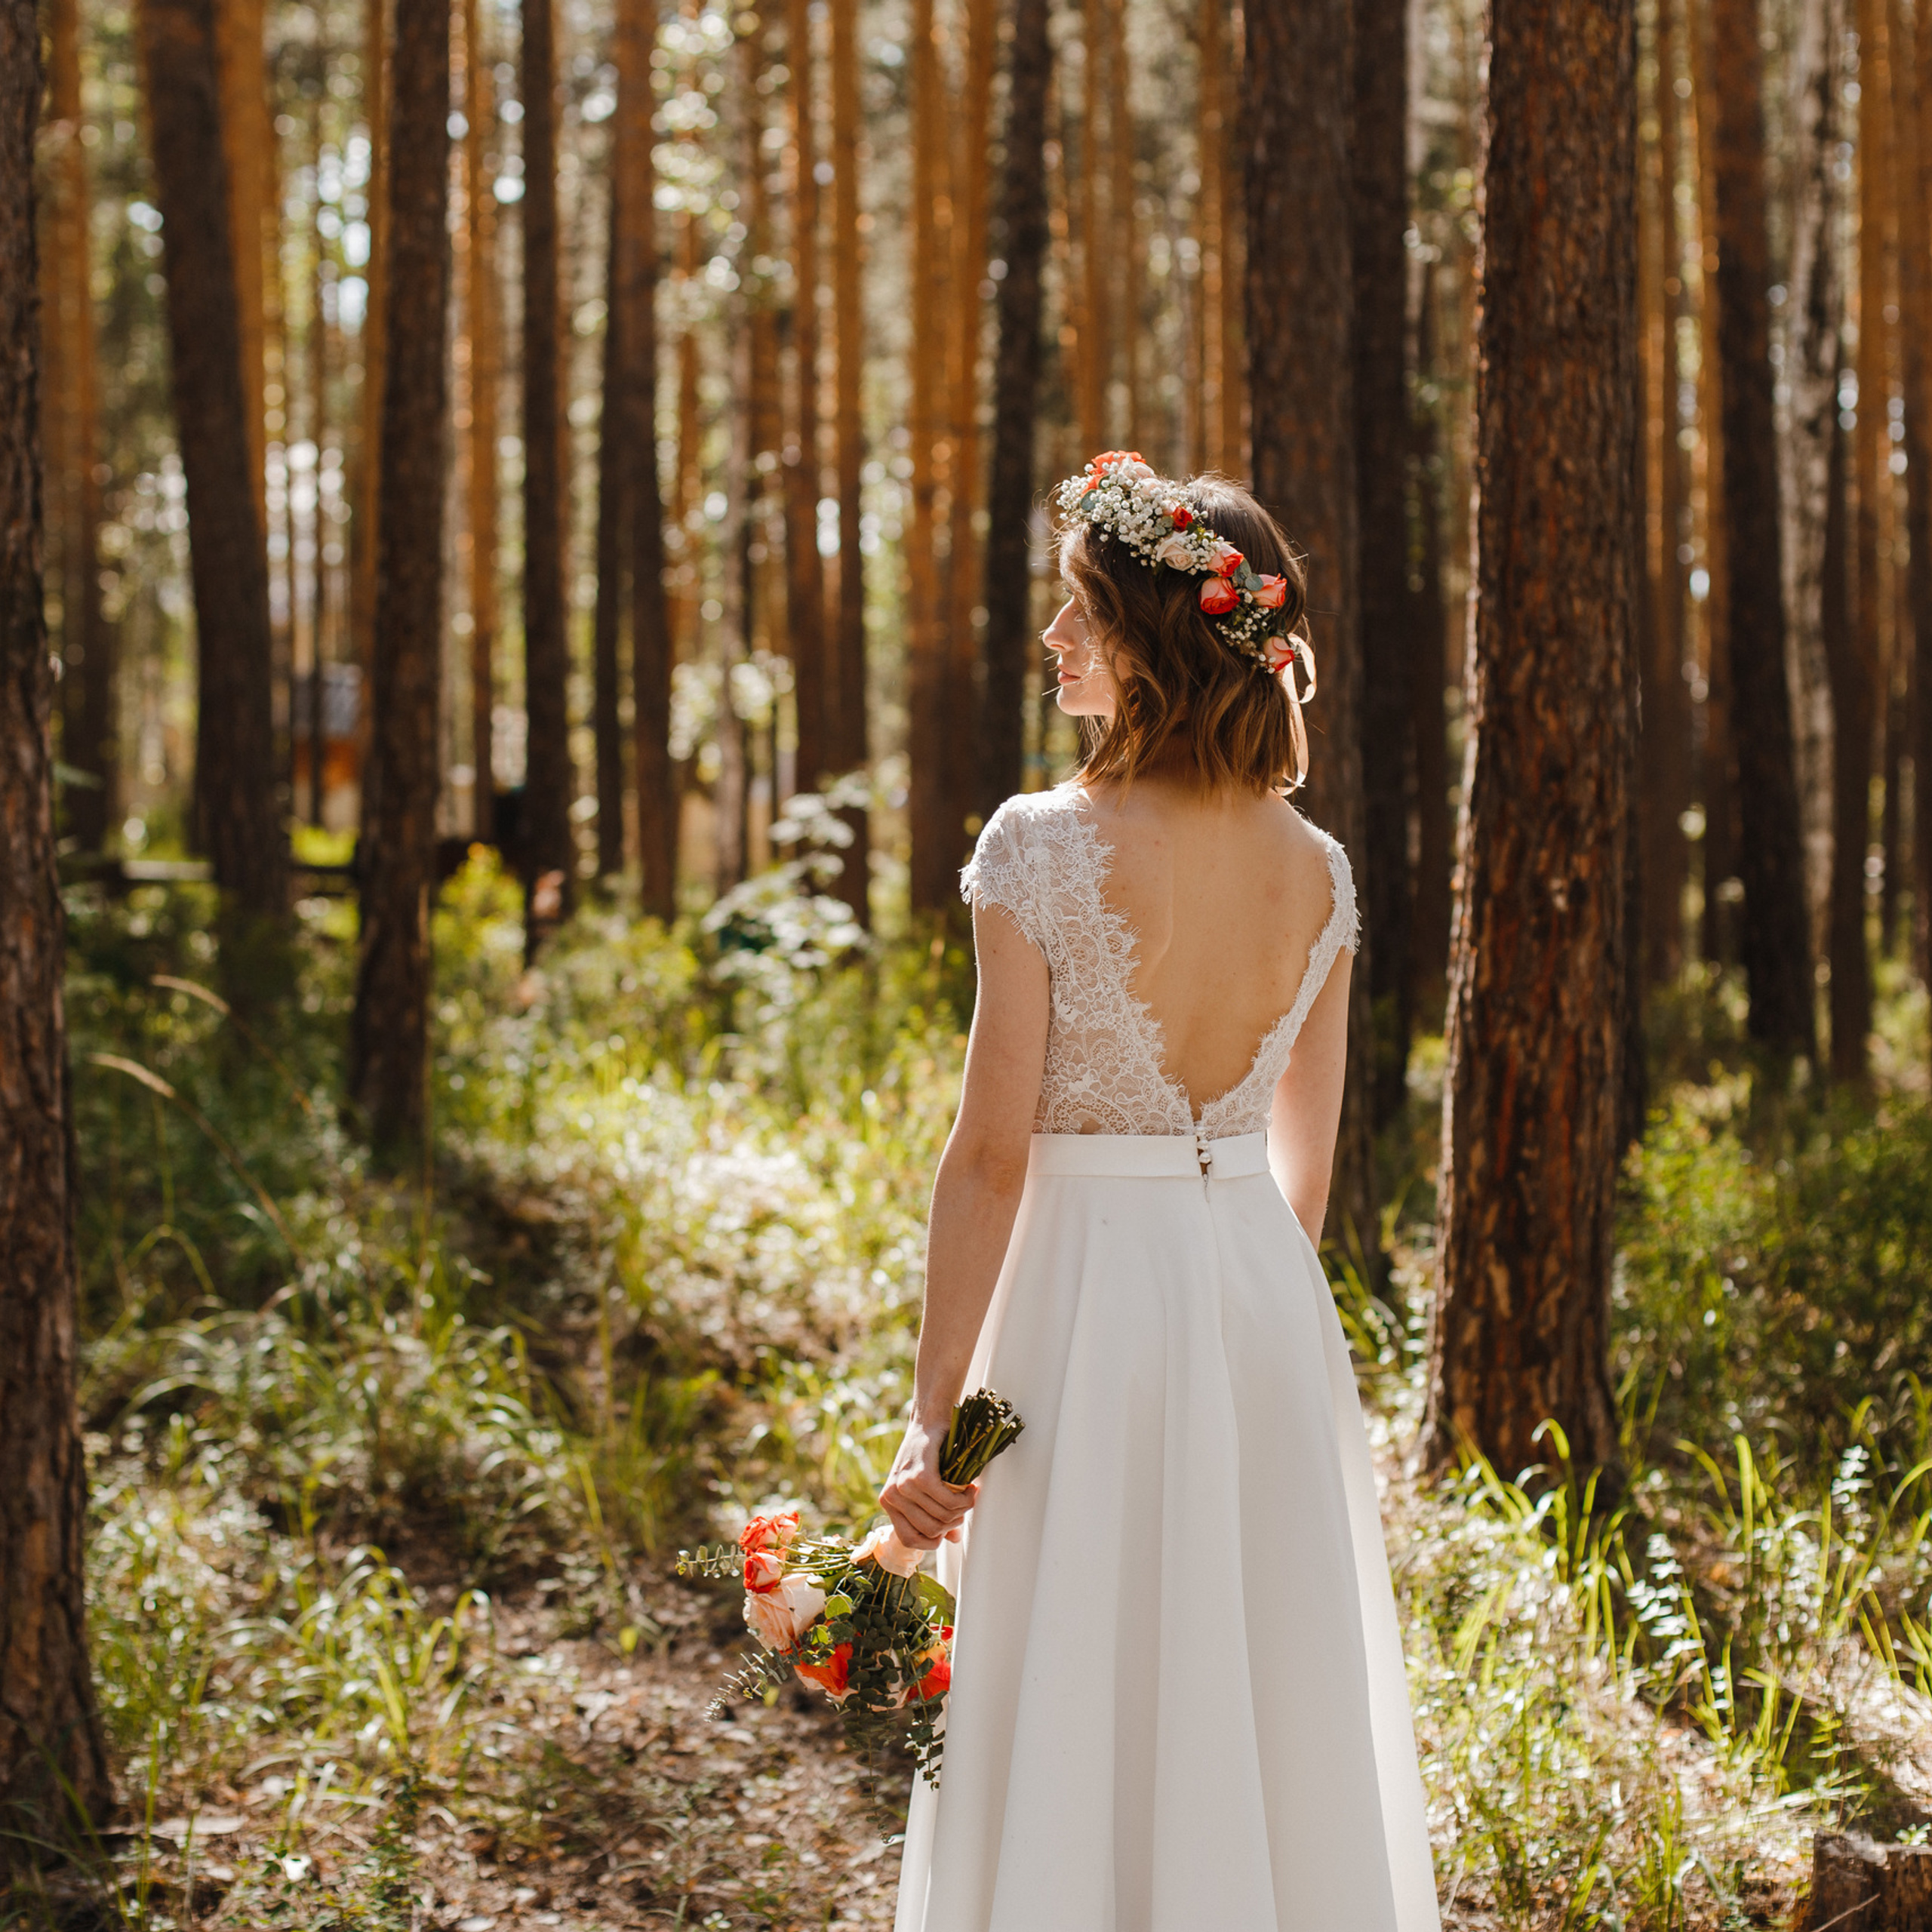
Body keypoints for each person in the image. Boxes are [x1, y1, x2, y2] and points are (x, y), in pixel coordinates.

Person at [879, 454, 1440, 1932]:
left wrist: (936, 1413)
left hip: (1079, 1301)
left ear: (1140, 637)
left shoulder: (1037, 846)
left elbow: (989, 1154)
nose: (1054, 641)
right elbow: (1299, 1172)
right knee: (1244, 1681)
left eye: (1075, 611)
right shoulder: (1315, 871)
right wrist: (1230, 1320)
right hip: (1253, 1304)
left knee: (1073, 1667)